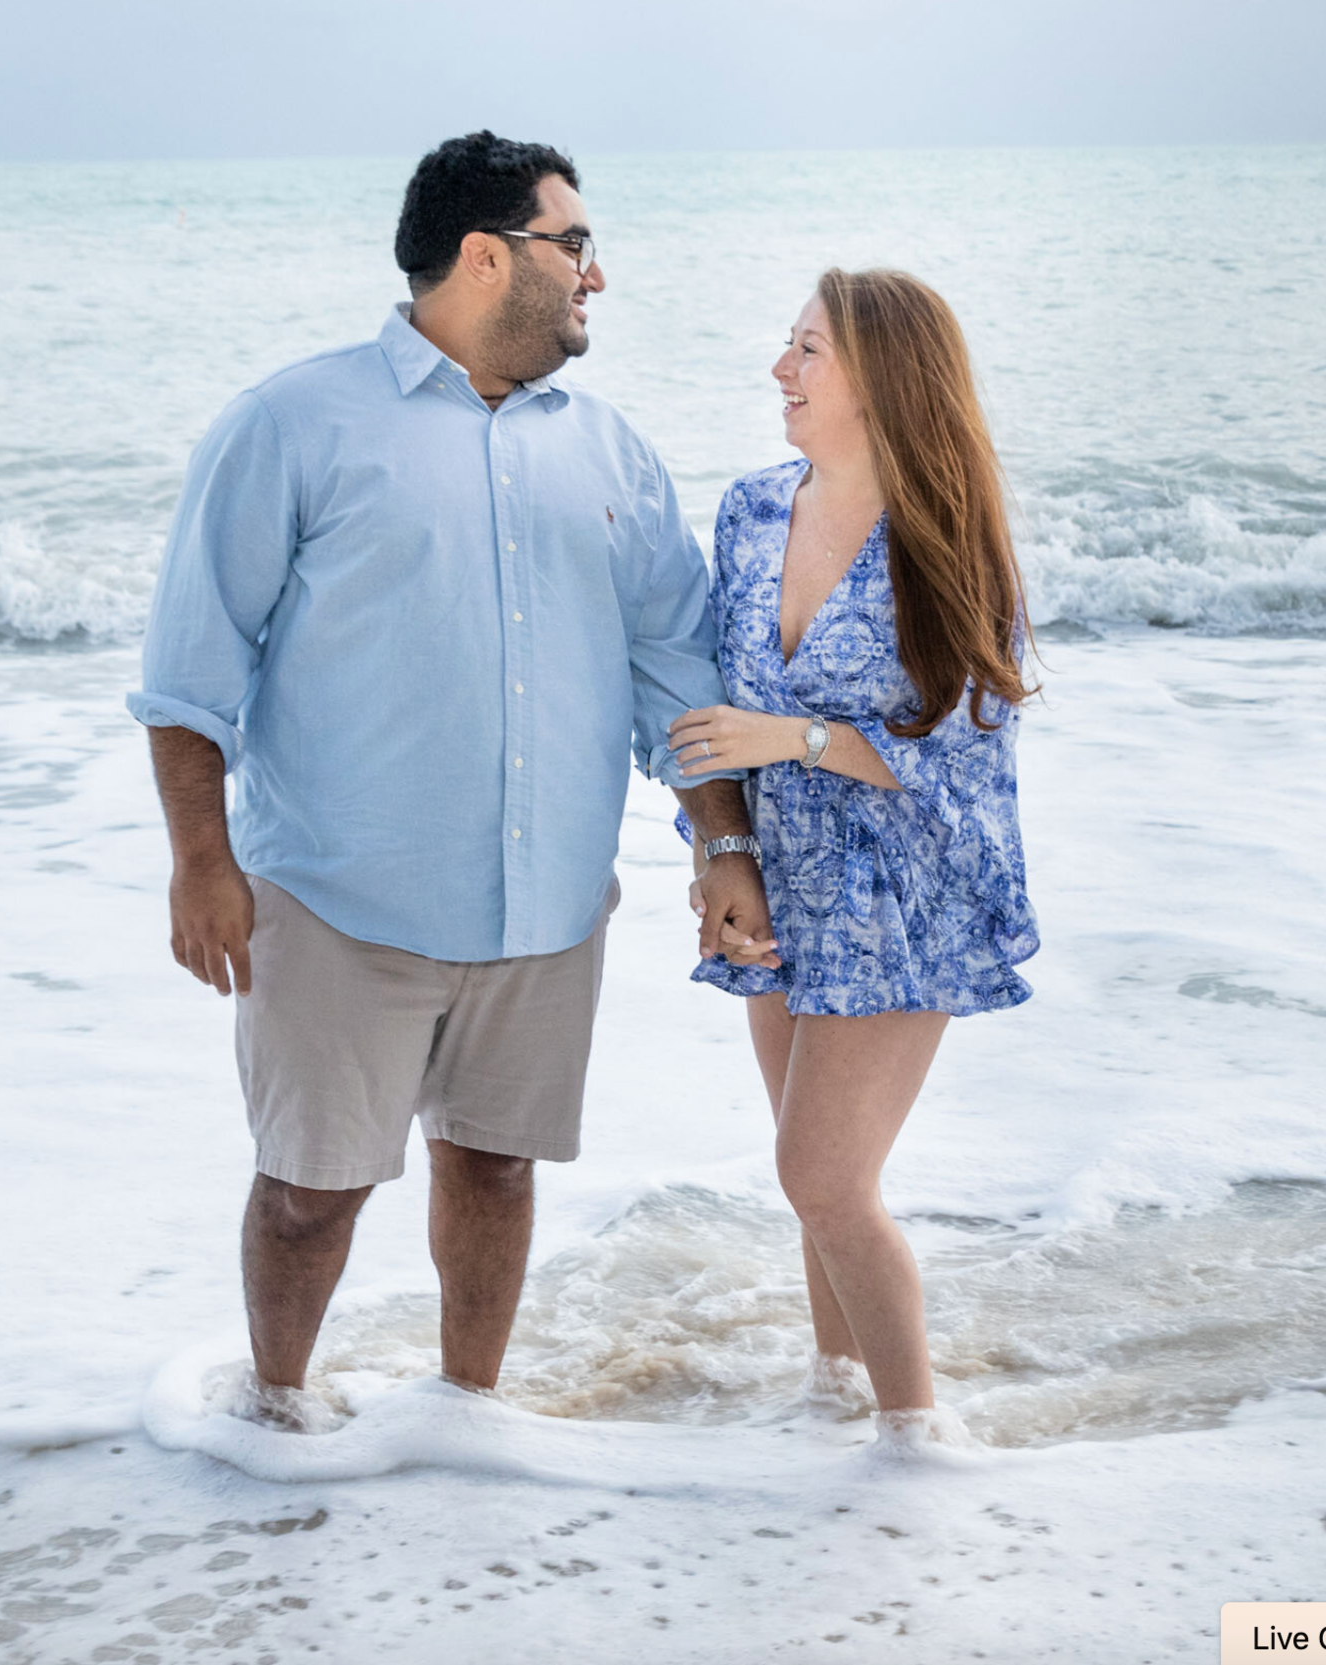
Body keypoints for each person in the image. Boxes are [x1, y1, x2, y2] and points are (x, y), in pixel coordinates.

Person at [128, 132, 774, 1431]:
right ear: (489, 256)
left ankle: (467, 1423)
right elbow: (190, 672)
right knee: (310, 1193)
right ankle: (275, 1421)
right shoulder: (294, 423)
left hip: (544, 908)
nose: (596, 275)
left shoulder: (612, 453)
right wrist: (202, 862)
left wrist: (721, 847)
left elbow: (672, 672)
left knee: (496, 1172)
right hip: (333, 900)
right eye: (574, 244)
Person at [668, 268, 1039, 1448]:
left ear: (879, 379)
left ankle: (918, 1440)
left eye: (808, 350)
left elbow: (972, 747)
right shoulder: (750, 512)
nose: (780, 367)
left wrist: (803, 738)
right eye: (787, 343)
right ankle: (832, 1404)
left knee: (825, 1178)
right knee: (806, 1181)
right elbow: (700, 704)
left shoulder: (946, 540)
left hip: (900, 893)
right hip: (778, 879)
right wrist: (718, 845)